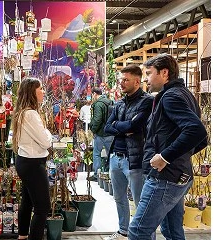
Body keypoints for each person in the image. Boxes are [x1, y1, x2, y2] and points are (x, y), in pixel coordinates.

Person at [128, 54, 207, 239]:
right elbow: (201, 138)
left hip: (164, 178)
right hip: (178, 175)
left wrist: (165, 157)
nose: (146, 79)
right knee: (171, 231)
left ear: (164, 73)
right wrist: (180, 156)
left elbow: (197, 131)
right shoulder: (184, 94)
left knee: (138, 231)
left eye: (149, 73)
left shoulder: (171, 97)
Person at [103, 65, 153, 240]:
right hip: (116, 157)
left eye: (126, 80)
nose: (121, 83)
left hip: (135, 159)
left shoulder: (147, 101)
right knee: (119, 198)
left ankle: (146, 236)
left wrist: (120, 126)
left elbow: (135, 125)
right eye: (121, 79)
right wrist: (122, 127)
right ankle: (123, 230)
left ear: (137, 81)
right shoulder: (120, 103)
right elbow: (107, 127)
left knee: (141, 203)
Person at [11, 77, 52, 240]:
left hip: (26, 161)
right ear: (31, 92)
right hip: (33, 164)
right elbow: (46, 141)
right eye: (40, 88)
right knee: (43, 207)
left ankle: (22, 236)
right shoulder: (31, 114)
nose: (43, 91)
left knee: (28, 201)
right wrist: (47, 132)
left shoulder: (23, 112)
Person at [88, 88, 113, 181]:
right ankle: (111, 174)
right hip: (110, 132)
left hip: (101, 133)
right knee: (110, 154)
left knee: (97, 153)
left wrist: (93, 130)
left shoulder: (98, 104)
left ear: (94, 94)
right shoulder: (110, 102)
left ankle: (96, 175)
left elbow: (97, 119)